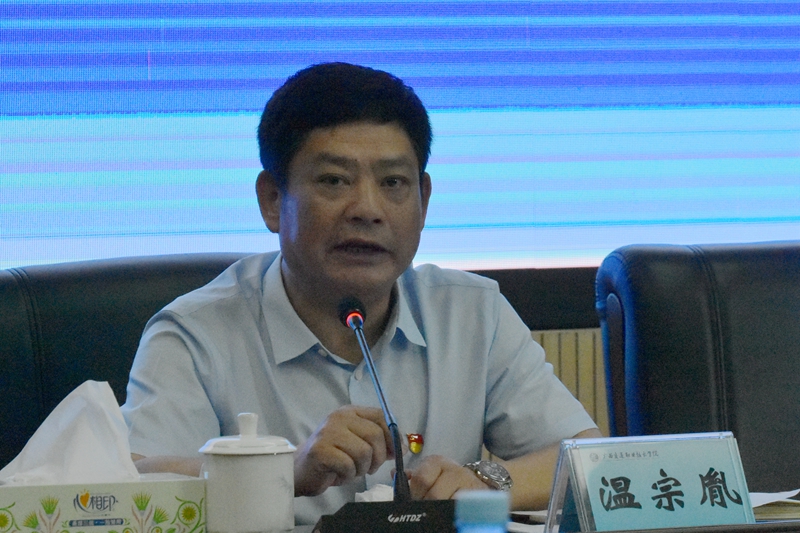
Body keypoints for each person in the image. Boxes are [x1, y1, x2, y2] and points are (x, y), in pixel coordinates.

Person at [121, 62, 601, 525]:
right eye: (334, 180)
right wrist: (282, 473)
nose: (368, 209)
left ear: (423, 200)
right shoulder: (195, 333)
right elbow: (132, 484)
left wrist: (484, 483)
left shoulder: (472, 312)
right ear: (272, 199)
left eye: (393, 183)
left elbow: (590, 461)